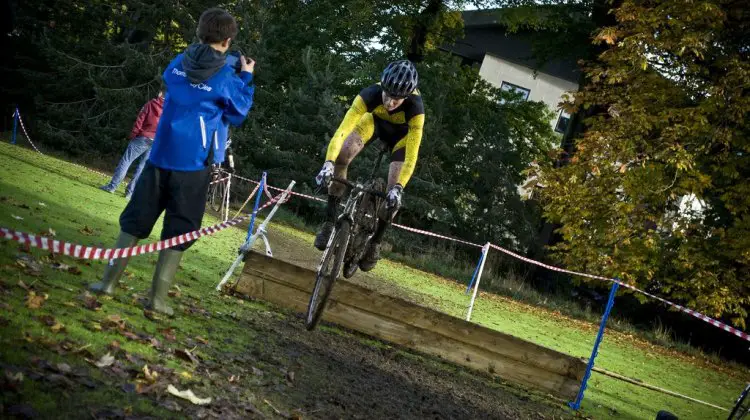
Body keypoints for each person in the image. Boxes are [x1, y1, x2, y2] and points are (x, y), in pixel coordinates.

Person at [89, 8, 256, 316]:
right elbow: (237, 112)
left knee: (134, 221)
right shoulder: (226, 77)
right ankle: (156, 300)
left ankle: (107, 284)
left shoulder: (179, 62)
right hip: (192, 165)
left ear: (200, 34)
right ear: (229, 40)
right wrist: (245, 76)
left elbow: (176, 82)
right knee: (179, 230)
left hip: (159, 155)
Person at [314, 60, 424, 271]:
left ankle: (375, 242)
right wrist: (328, 163)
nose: (390, 102)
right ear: (382, 86)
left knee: (393, 192)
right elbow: (342, 131)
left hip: (402, 137)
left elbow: (412, 155)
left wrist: (399, 188)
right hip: (374, 124)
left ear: (407, 97)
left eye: (397, 99)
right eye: (387, 95)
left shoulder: (416, 109)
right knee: (342, 157)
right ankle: (329, 222)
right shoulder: (369, 94)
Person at [99, 88, 165, 200]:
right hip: (156, 141)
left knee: (126, 161)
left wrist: (134, 133)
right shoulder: (170, 110)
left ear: (160, 93)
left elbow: (140, 119)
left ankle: (112, 186)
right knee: (142, 167)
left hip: (143, 137)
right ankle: (130, 193)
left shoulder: (150, 104)